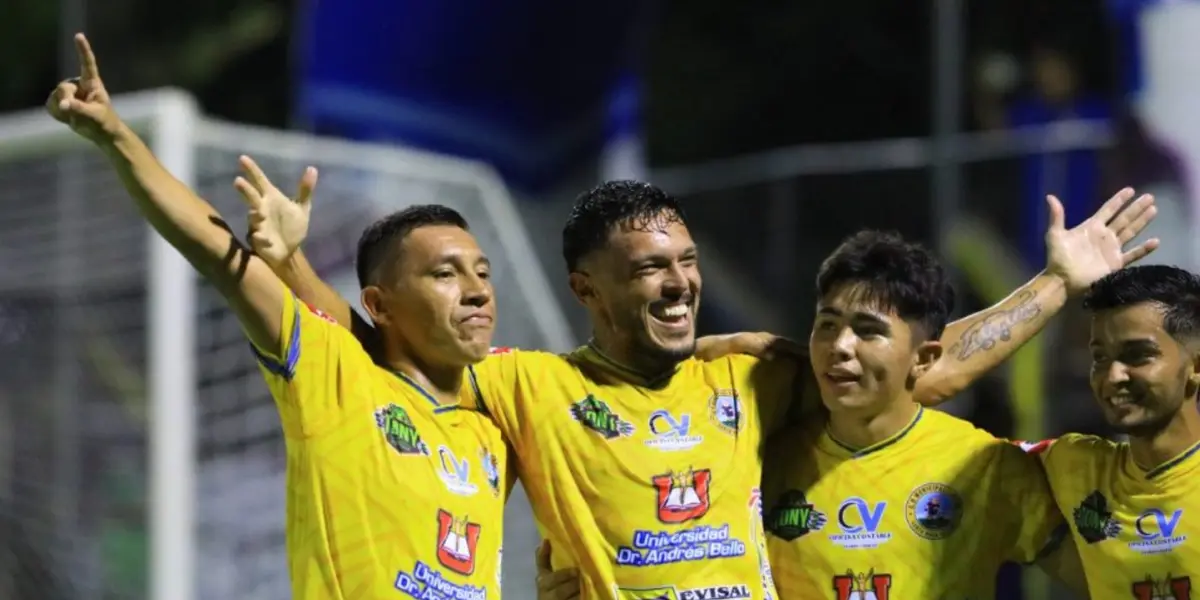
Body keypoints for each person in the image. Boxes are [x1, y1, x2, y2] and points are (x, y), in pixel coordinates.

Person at [257, 172, 1156, 597]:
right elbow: (378, 351)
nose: (682, 281)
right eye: (652, 268)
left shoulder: (750, 374)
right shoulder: (524, 386)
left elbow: (921, 366)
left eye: (687, 261)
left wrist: (1056, 285)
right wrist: (287, 260)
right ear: (588, 291)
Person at [47, 33, 511, 600]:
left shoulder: (506, 403)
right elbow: (216, 254)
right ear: (379, 306)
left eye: (482, 274)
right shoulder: (333, 373)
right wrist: (117, 136)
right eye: (445, 275)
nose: (476, 292)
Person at [760, 231, 1089, 599]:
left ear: (924, 359)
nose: (839, 346)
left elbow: (1107, 580)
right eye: (828, 324)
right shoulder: (763, 464)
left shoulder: (981, 463)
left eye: (869, 331)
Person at [1028, 265, 1200, 596]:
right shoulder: (1071, 466)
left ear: (1196, 367)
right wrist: (1054, 283)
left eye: (1137, 356)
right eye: (1100, 358)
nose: (1112, 377)